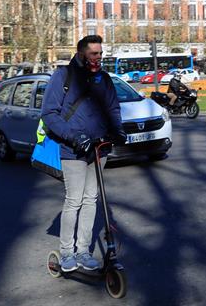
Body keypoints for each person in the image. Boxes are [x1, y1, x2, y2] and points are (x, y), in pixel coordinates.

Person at [41, 34, 126, 274]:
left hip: (99, 148)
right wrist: (74, 136)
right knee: (74, 200)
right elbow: (49, 114)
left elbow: (113, 109)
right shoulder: (63, 76)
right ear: (81, 53)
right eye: (93, 54)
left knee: (91, 199)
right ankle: (67, 252)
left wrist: (118, 131)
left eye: (100, 53)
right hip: (74, 149)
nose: (98, 57)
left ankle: (83, 251)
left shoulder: (104, 78)